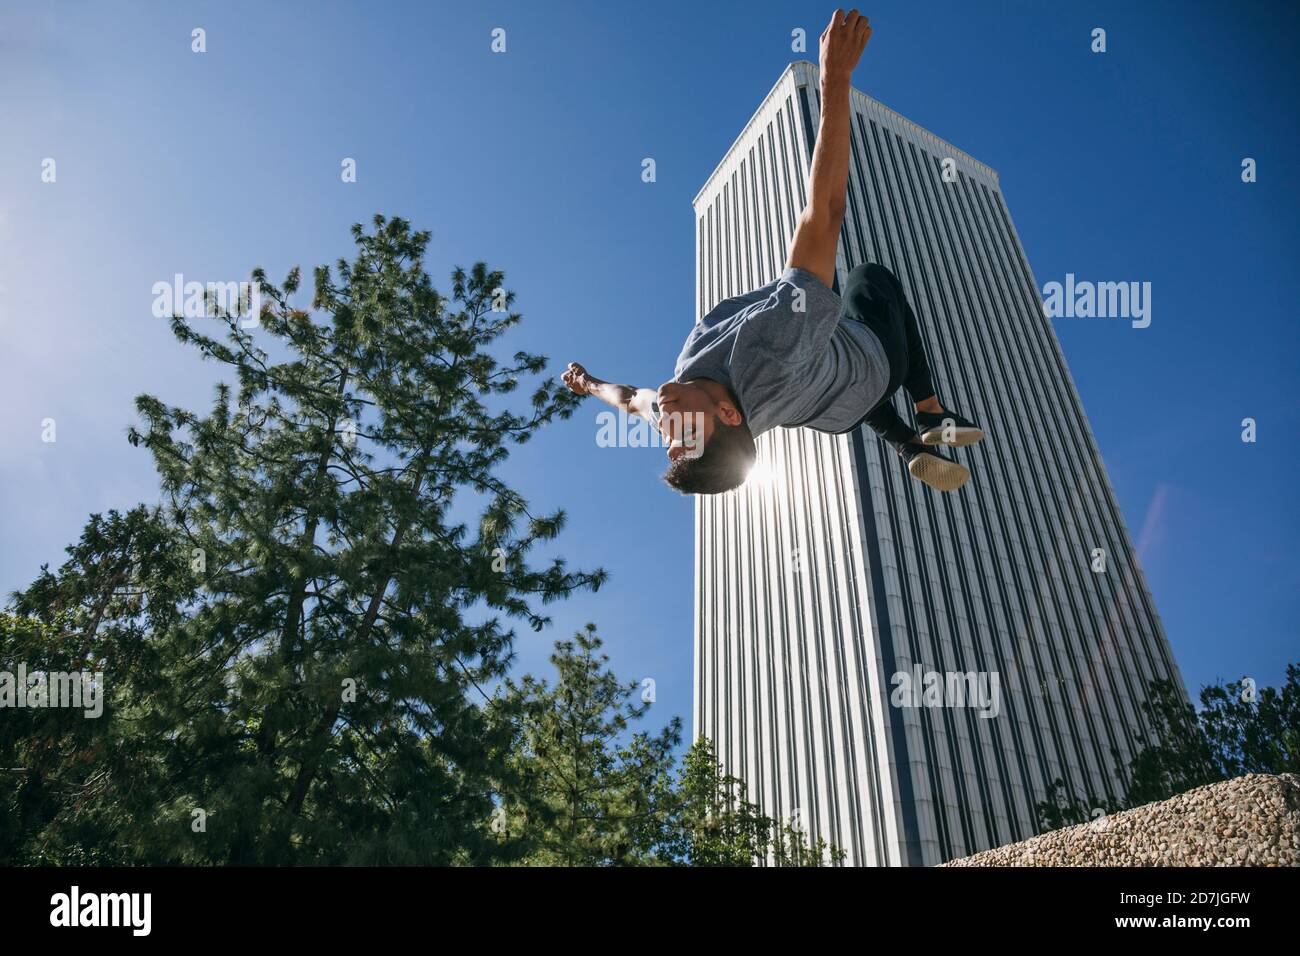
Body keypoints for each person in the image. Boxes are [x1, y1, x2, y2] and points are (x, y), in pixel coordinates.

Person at [563, 9, 985, 494]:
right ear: (726, 412)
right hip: (870, 368)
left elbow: (630, 398)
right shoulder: (772, 344)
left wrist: (589, 384)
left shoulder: (672, 405)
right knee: (869, 280)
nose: (666, 428)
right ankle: (930, 408)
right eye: (686, 435)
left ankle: (906, 443)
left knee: (826, 357)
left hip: (832, 409)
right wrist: (835, 79)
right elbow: (823, 213)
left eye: (668, 441)